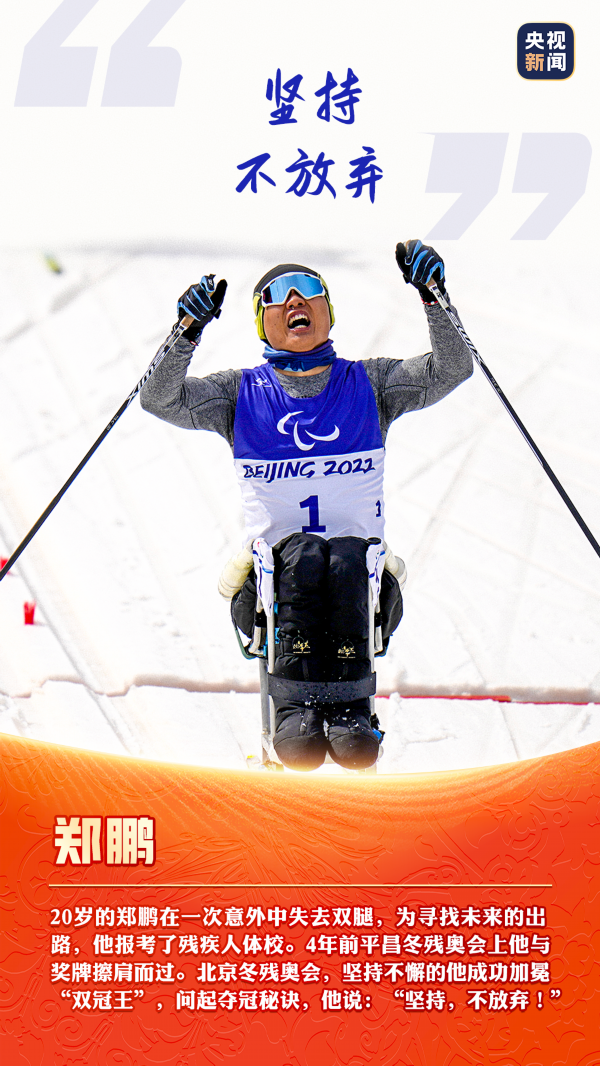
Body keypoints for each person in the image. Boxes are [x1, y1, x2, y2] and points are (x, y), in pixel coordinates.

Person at [140, 241, 473, 772]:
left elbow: (450, 369)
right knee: (303, 554)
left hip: (359, 584)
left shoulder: (369, 384)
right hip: (271, 590)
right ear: (262, 322)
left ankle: (350, 708)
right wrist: (186, 330)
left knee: (343, 556)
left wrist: (435, 297)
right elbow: (159, 398)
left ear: (328, 312)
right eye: (277, 294)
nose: (295, 299)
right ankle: (295, 706)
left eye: (310, 289)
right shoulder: (240, 394)